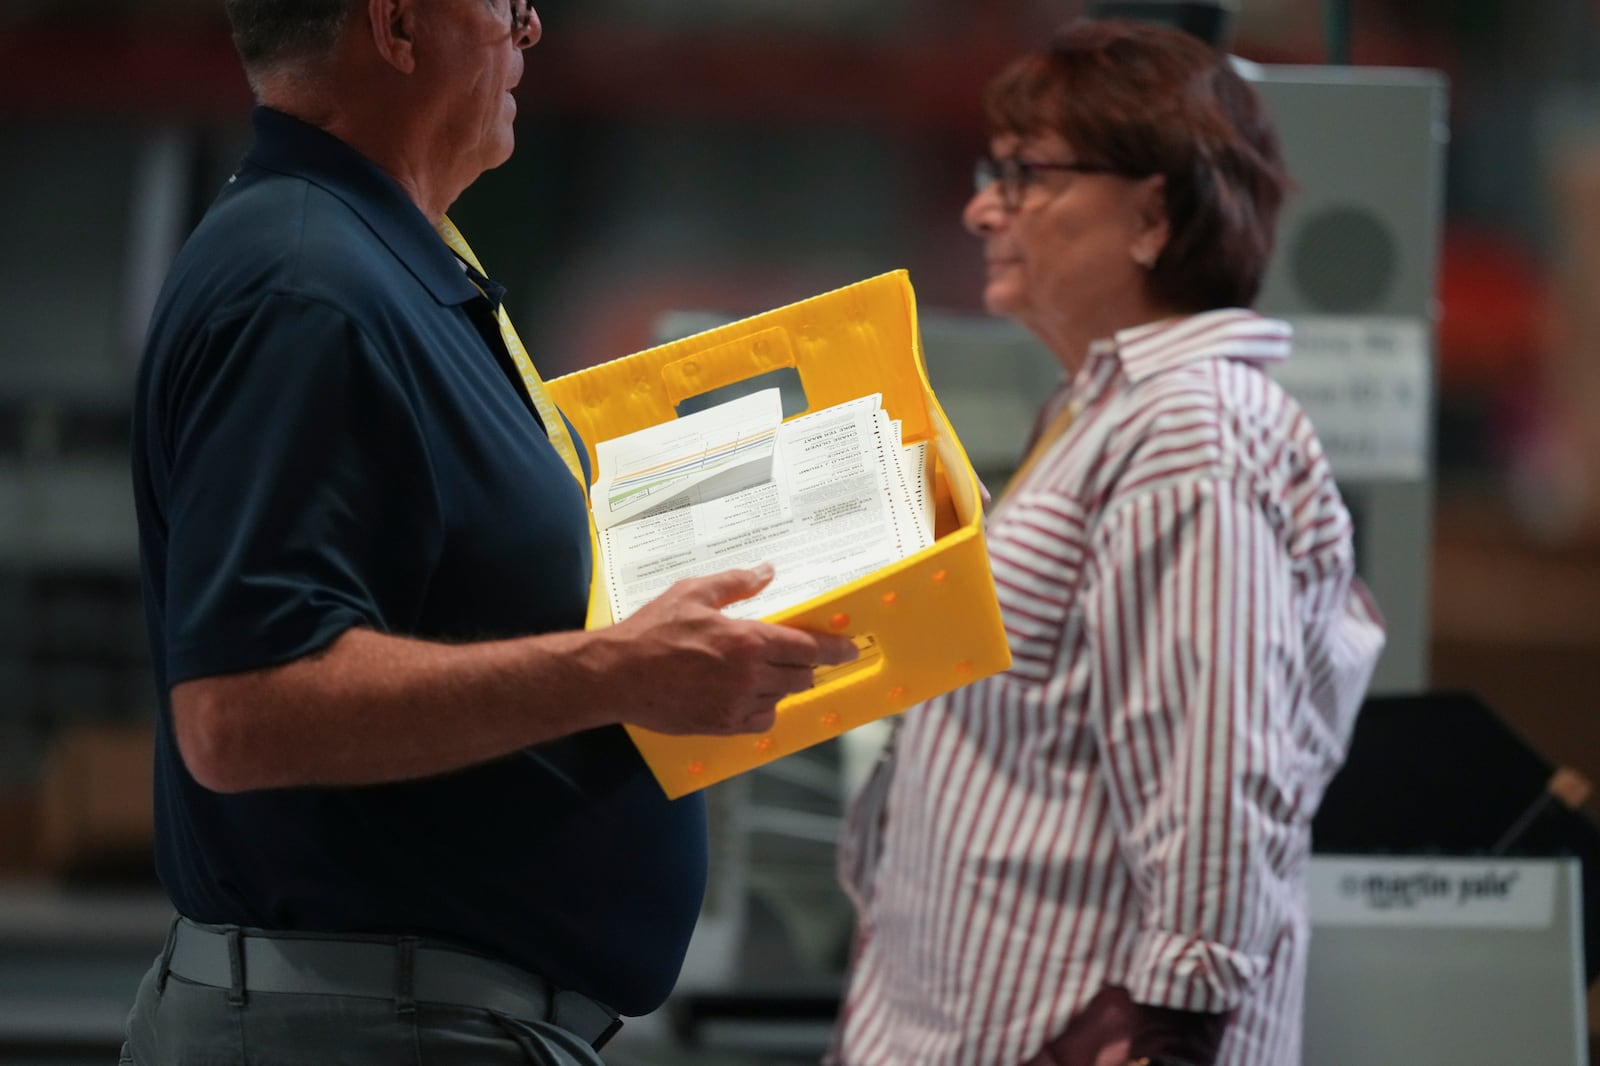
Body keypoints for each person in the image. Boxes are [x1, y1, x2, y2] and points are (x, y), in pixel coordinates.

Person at [119, 0, 858, 1062]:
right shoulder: (306, 289)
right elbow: (241, 712)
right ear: (400, 25)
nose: (533, 30)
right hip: (370, 1030)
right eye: (506, 3)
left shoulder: (389, 262)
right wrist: (616, 671)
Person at [830, 18, 1385, 1066]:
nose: (982, 205)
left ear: (1153, 210)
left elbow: (1215, 767)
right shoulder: (1107, 413)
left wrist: (1167, 1028)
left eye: (1026, 172)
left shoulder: (1191, 429)